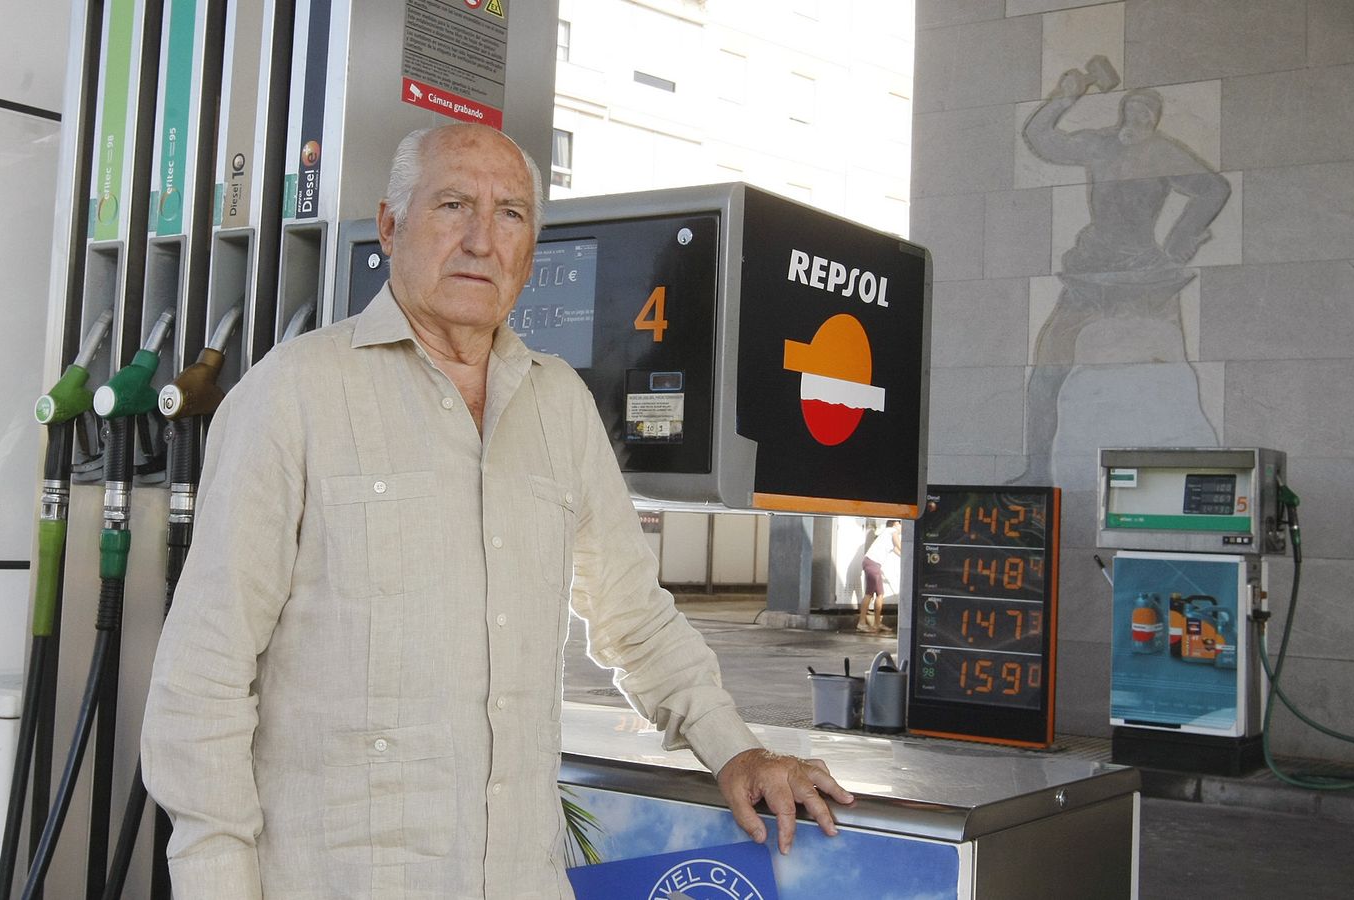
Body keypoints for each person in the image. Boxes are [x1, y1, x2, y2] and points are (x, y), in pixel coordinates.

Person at [140, 122, 852, 899]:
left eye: (510, 213)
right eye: (453, 205)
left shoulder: (560, 406)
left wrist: (735, 750)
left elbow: (634, 618)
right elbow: (204, 678)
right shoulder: (292, 396)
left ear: (531, 245)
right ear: (390, 226)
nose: (483, 240)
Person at [1015, 58, 1230, 483]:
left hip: (1145, 275)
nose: (1136, 116)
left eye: (1146, 112)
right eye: (1131, 108)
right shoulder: (1101, 144)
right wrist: (1064, 96)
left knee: (1174, 371)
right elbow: (1041, 139)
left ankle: (1198, 477)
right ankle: (1037, 472)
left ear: (1155, 120)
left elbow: (1215, 188)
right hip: (1092, 271)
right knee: (1048, 368)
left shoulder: (1164, 152)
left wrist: (1179, 244)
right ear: (1122, 112)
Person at [857, 520, 901, 635]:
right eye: (900, 524)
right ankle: (861, 623)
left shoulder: (887, 536)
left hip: (873, 564)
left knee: (880, 594)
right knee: (869, 593)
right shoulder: (891, 530)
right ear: (895, 524)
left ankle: (877, 623)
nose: (901, 527)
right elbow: (900, 546)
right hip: (872, 563)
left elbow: (898, 551)